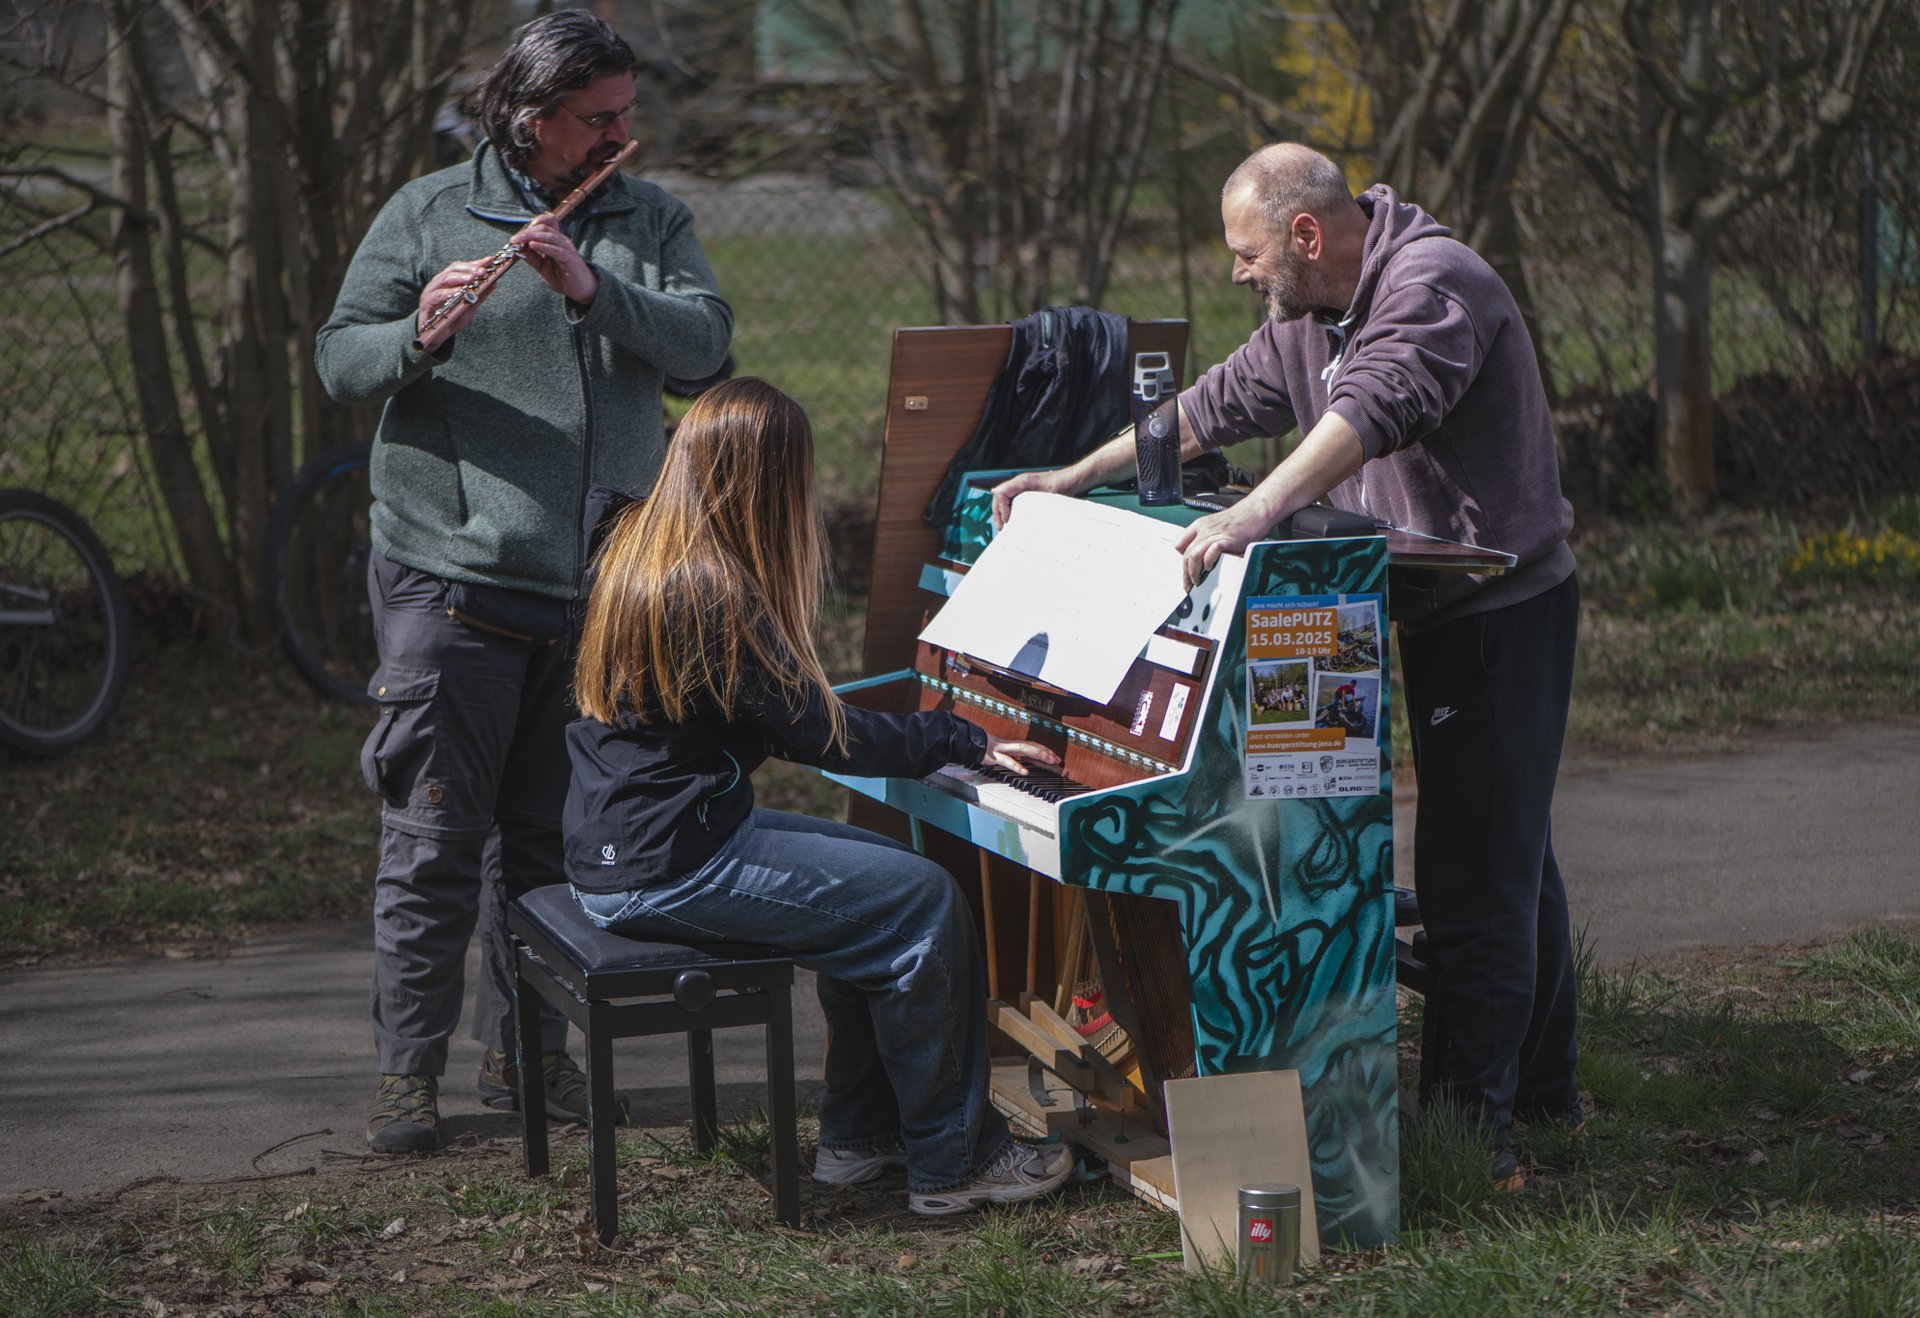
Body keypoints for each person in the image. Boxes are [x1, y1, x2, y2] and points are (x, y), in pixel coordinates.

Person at [992, 142, 1580, 1186]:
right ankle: (1541, 1084)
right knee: (1506, 839)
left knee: (1476, 870)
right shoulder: (1307, 318)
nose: (1237, 273)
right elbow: (1213, 403)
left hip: (1501, 604)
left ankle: (1467, 1131)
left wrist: (1253, 512)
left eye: (1247, 251)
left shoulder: (1432, 284)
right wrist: (1072, 476)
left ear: (1306, 235)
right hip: (1422, 592)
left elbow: (1375, 409)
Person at [314, 9, 734, 1154]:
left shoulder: (649, 218)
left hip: (598, 593)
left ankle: (528, 1055)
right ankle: (407, 1072)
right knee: (434, 842)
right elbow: (341, 356)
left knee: (550, 847)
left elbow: (707, 349)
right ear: (530, 117)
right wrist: (420, 333)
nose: (618, 133)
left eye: (625, 114)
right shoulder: (428, 211)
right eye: (595, 119)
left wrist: (597, 290)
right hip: (450, 582)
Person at [565, 377, 1077, 1216]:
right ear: (761, 482)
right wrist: (964, 739)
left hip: (634, 841)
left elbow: (786, 720)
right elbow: (827, 734)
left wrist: (942, 736)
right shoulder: (712, 592)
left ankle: (860, 1136)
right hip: (669, 863)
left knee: (878, 873)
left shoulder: (631, 545)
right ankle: (956, 1165)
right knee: (924, 903)